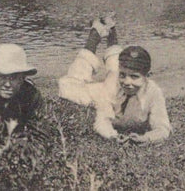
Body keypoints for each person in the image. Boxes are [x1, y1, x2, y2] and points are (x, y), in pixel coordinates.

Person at [58, 15, 171, 143]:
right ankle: (95, 33)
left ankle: (111, 28)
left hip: (115, 79)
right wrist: (113, 136)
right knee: (68, 87)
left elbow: (163, 129)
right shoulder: (111, 91)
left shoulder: (153, 92)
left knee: (115, 68)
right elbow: (102, 122)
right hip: (105, 89)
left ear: (147, 77)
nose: (127, 82)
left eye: (134, 77)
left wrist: (145, 138)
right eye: (123, 76)